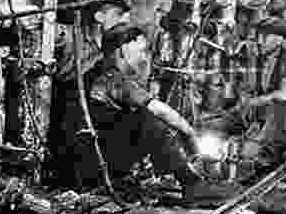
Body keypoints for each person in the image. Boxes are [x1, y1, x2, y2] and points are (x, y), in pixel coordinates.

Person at [69, 22, 204, 189]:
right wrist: (190, 134)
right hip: (99, 161)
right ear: (122, 50)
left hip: (90, 157)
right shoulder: (114, 79)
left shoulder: (93, 74)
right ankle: (190, 182)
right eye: (140, 51)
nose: (143, 58)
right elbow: (162, 111)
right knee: (150, 120)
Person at [206, 15, 286, 177]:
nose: (260, 40)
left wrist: (252, 103)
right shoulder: (258, 56)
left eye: (266, 36)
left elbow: (283, 95)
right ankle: (212, 163)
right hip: (260, 109)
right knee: (215, 125)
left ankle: (261, 167)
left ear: (281, 39)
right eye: (259, 35)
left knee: (276, 114)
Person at [46, 0, 131, 186]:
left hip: (87, 100)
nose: (123, 21)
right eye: (117, 15)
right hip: (60, 100)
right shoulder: (70, 35)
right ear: (99, 17)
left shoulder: (109, 45)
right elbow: (47, 29)